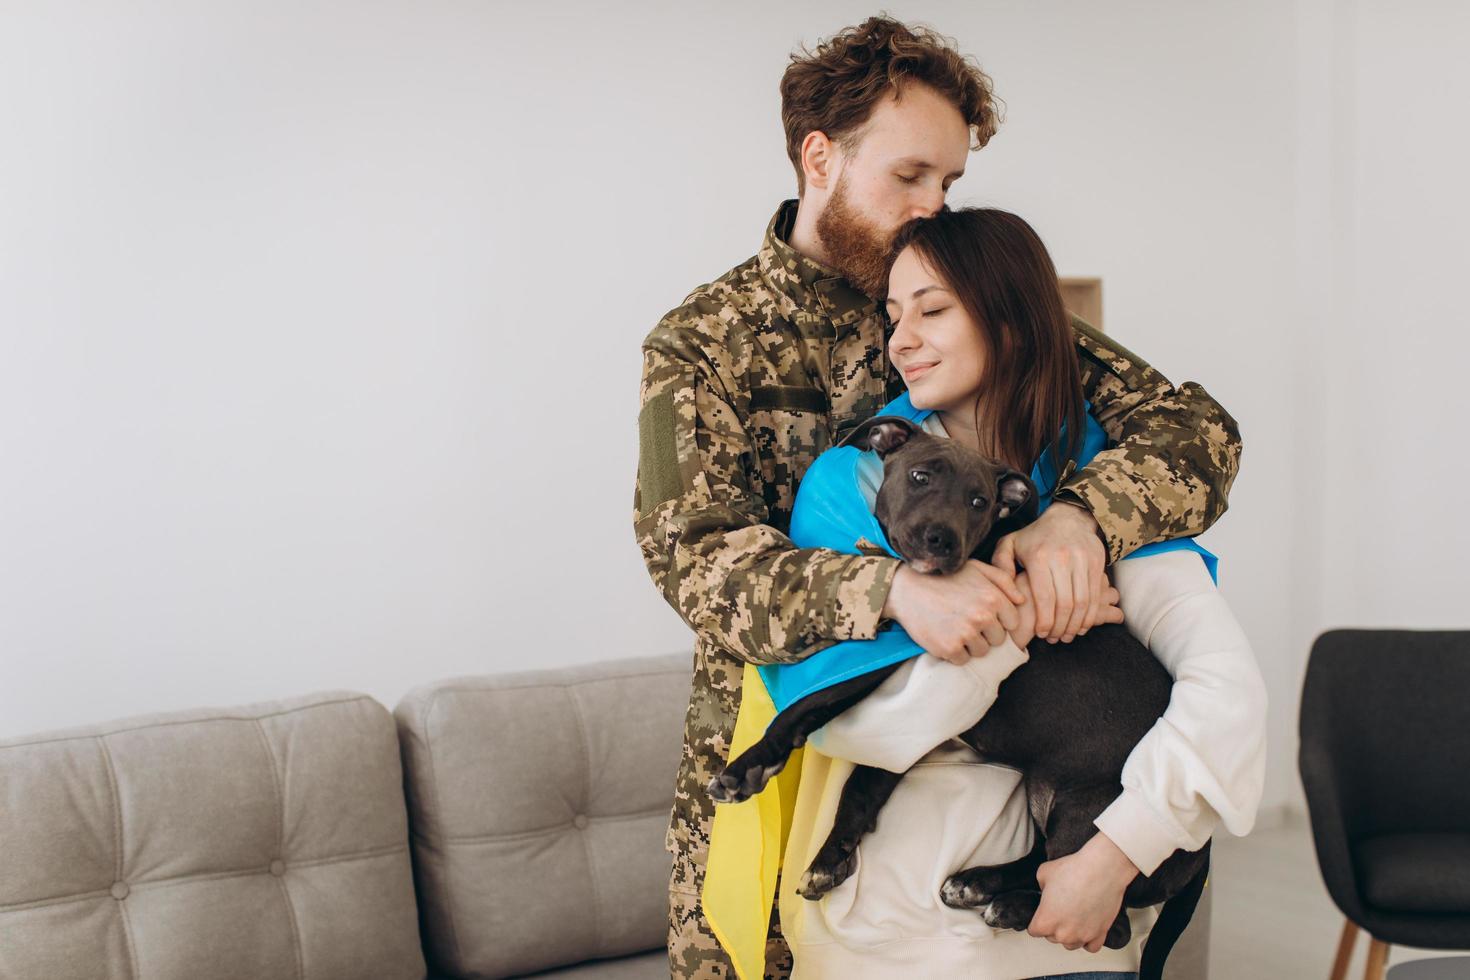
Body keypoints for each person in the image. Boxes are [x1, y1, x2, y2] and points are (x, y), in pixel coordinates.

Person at [632, 16, 1242, 979]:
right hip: (788, 743)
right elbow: (693, 555)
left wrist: (1075, 517)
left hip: (982, 773)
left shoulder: (969, 294)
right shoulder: (704, 344)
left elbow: (1200, 434)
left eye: (950, 182)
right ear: (819, 156)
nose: (932, 205)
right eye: (911, 175)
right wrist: (891, 593)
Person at [771, 207, 1267, 979]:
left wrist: (1113, 856)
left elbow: (1227, 696)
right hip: (890, 929)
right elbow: (855, 726)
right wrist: (1016, 619)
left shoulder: (1104, 486)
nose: (899, 340)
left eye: (932, 309)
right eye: (893, 315)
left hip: (1067, 918)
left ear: (1013, 322)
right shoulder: (858, 478)